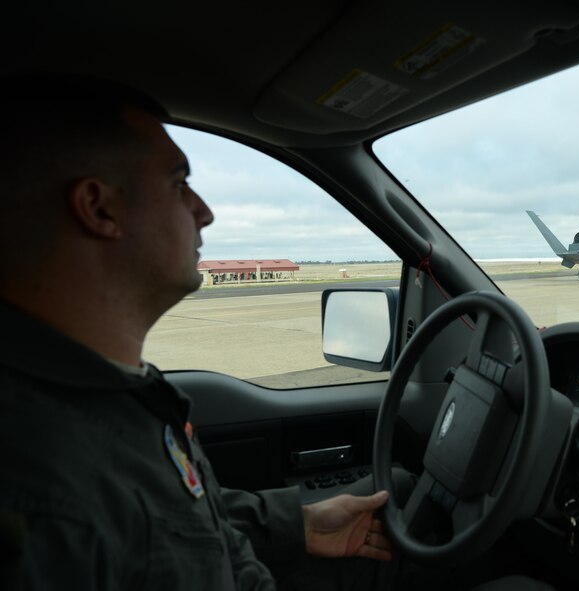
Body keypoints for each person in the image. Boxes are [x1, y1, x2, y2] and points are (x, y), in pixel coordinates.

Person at [0, 74, 394, 589]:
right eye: (178, 183)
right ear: (99, 208)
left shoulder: (107, 393)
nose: (204, 212)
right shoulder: (40, 488)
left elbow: (161, 517)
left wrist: (295, 524)